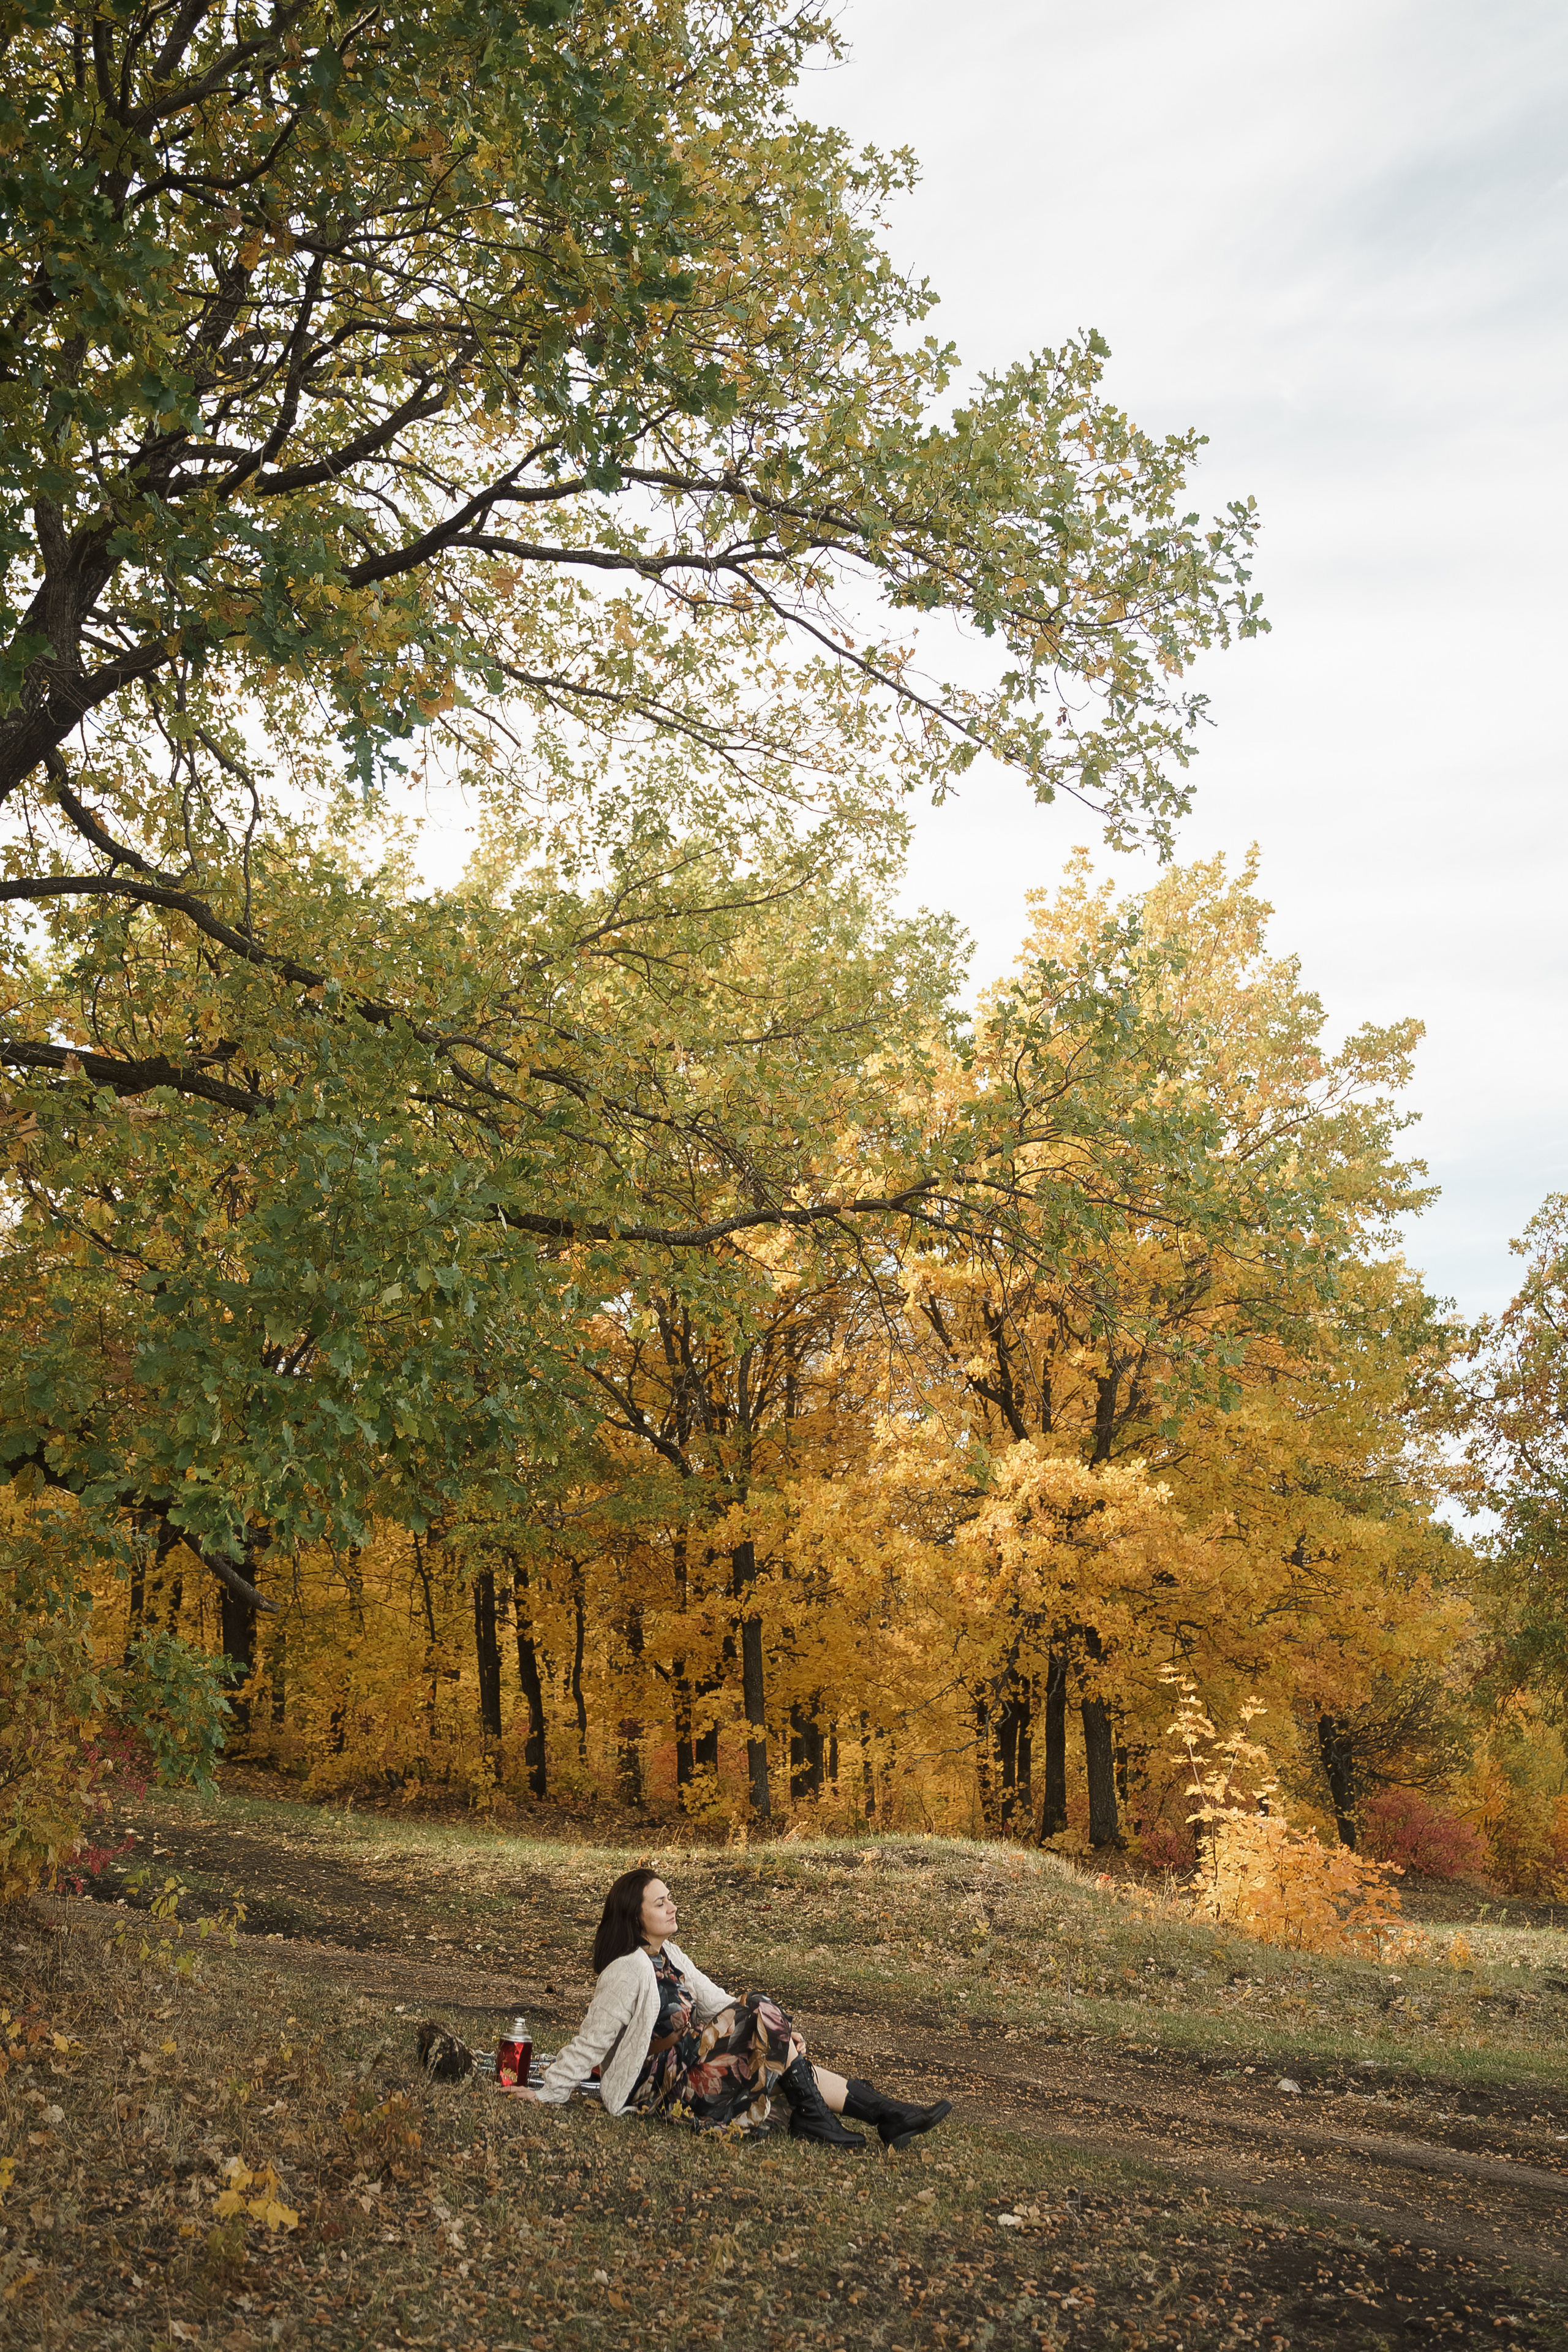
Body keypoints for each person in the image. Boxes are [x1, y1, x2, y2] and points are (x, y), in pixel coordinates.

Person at [505, 1867, 951, 2151]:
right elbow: (593, 2040)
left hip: (691, 2068)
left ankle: (888, 2114)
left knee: (769, 2033)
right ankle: (843, 2119)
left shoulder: (674, 1957)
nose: (672, 1906)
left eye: (670, 1898)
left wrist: (779, 2033)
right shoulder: (626, 1970)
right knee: (759, 2010)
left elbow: (719, 2003)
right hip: (656, 2085)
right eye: (660, 1902)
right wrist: (550, 2091)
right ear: (635, 1915)